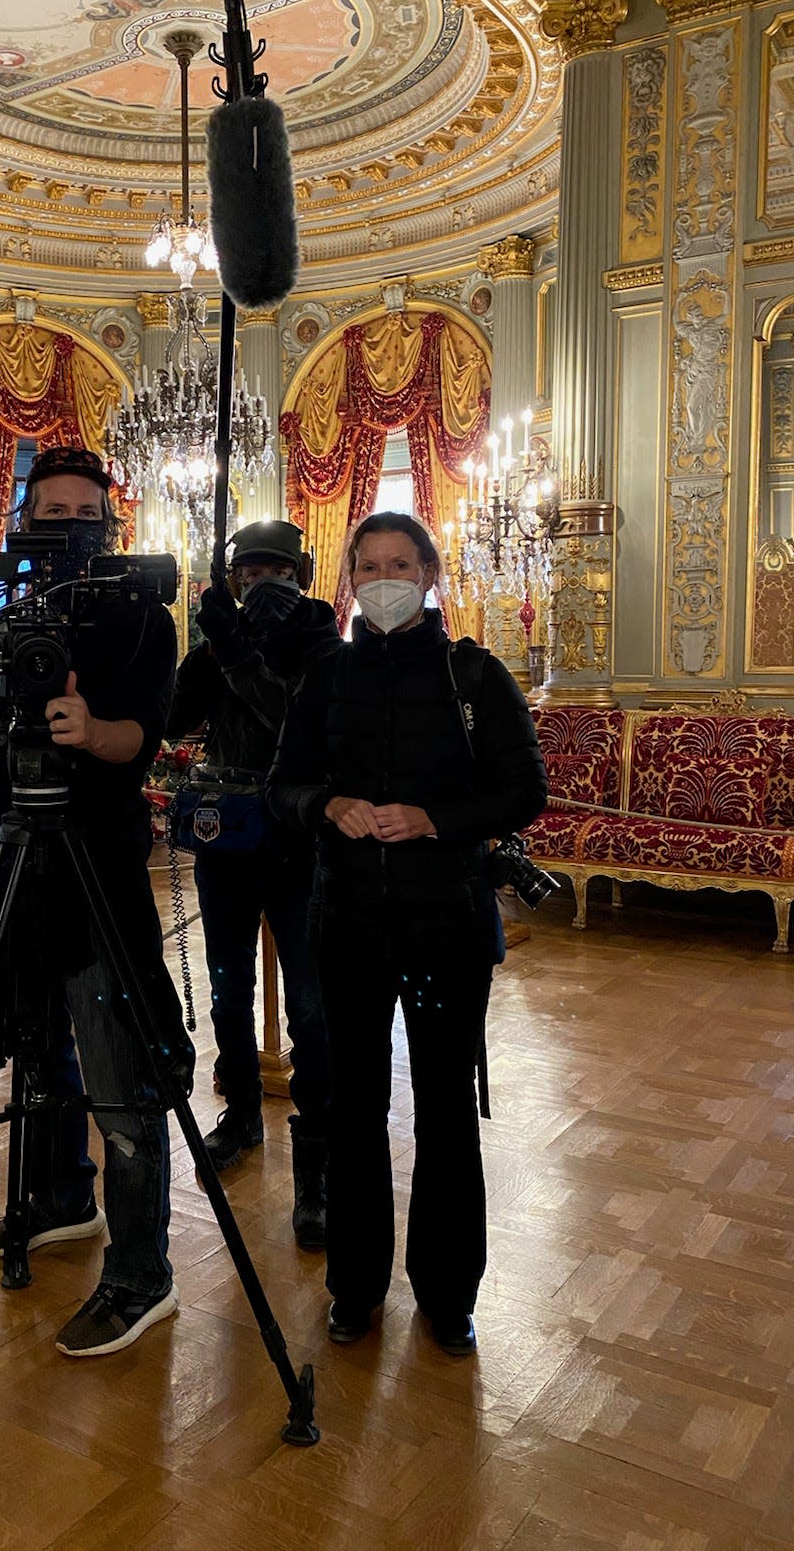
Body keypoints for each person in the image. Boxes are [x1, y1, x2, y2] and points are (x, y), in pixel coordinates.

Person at [266, 511, 546, 1354]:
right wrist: (327, 805)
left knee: (446, 1113)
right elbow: (284, 786)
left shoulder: (475, 677)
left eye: (401, 563)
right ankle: (355, 1287)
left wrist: (435, 820)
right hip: (347, 928)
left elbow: (522, 792)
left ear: (428, 574)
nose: (385, 578)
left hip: (446, 930)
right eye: (369, 565)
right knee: (355, 1111)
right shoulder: (326, 678)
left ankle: (449, 1290)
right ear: (350, 580)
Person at [0, 446, 191, 1357]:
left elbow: (142, 738)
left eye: (85, 514)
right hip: (18, 855)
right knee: (35, 1039)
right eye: (51, 514)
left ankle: (140, 1272)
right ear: (22, 522)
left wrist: (92, 732)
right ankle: (57, 1199)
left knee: (117, 1060)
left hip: (97, 858)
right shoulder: (5, 611)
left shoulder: (141, 622)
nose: (68, 530)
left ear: (111, 524)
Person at [167, 520, 339, 1248]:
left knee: (310, 1003)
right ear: (233, 579)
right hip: (229, 838)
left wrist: (238, 652)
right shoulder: (218, 639)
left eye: (276, 570)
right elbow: (174, 720)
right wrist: (204, 652)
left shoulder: (325, 642)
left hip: (300, 843)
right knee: (226, 987)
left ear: (300, 573)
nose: (262, 581)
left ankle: (320, 1164)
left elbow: (293, 722)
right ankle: (239, 1114)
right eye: (250, 571)